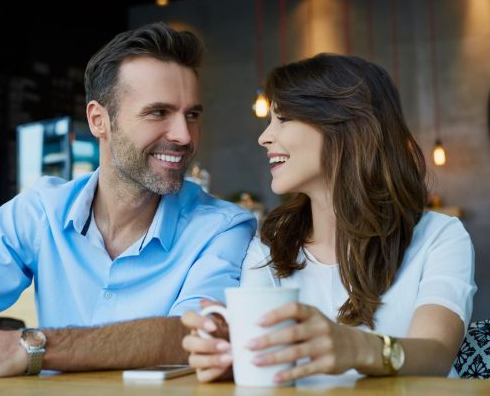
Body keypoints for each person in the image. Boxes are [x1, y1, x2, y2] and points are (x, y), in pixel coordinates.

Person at [0, 23, 256, 380]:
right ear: (99, 120)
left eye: (192, 115)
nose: (184, 135)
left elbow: (191, 335)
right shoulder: (39, 211)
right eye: (158, 112)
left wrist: (25, 348)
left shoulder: (224, 228)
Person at [181, 54, 476, 383]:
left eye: (283, 119)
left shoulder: (439, 236)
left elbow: (435, 353)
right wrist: (230, 358)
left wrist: (358, 348)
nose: (264, 137)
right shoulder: (270, 246)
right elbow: (267, 364)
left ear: (345, 126)